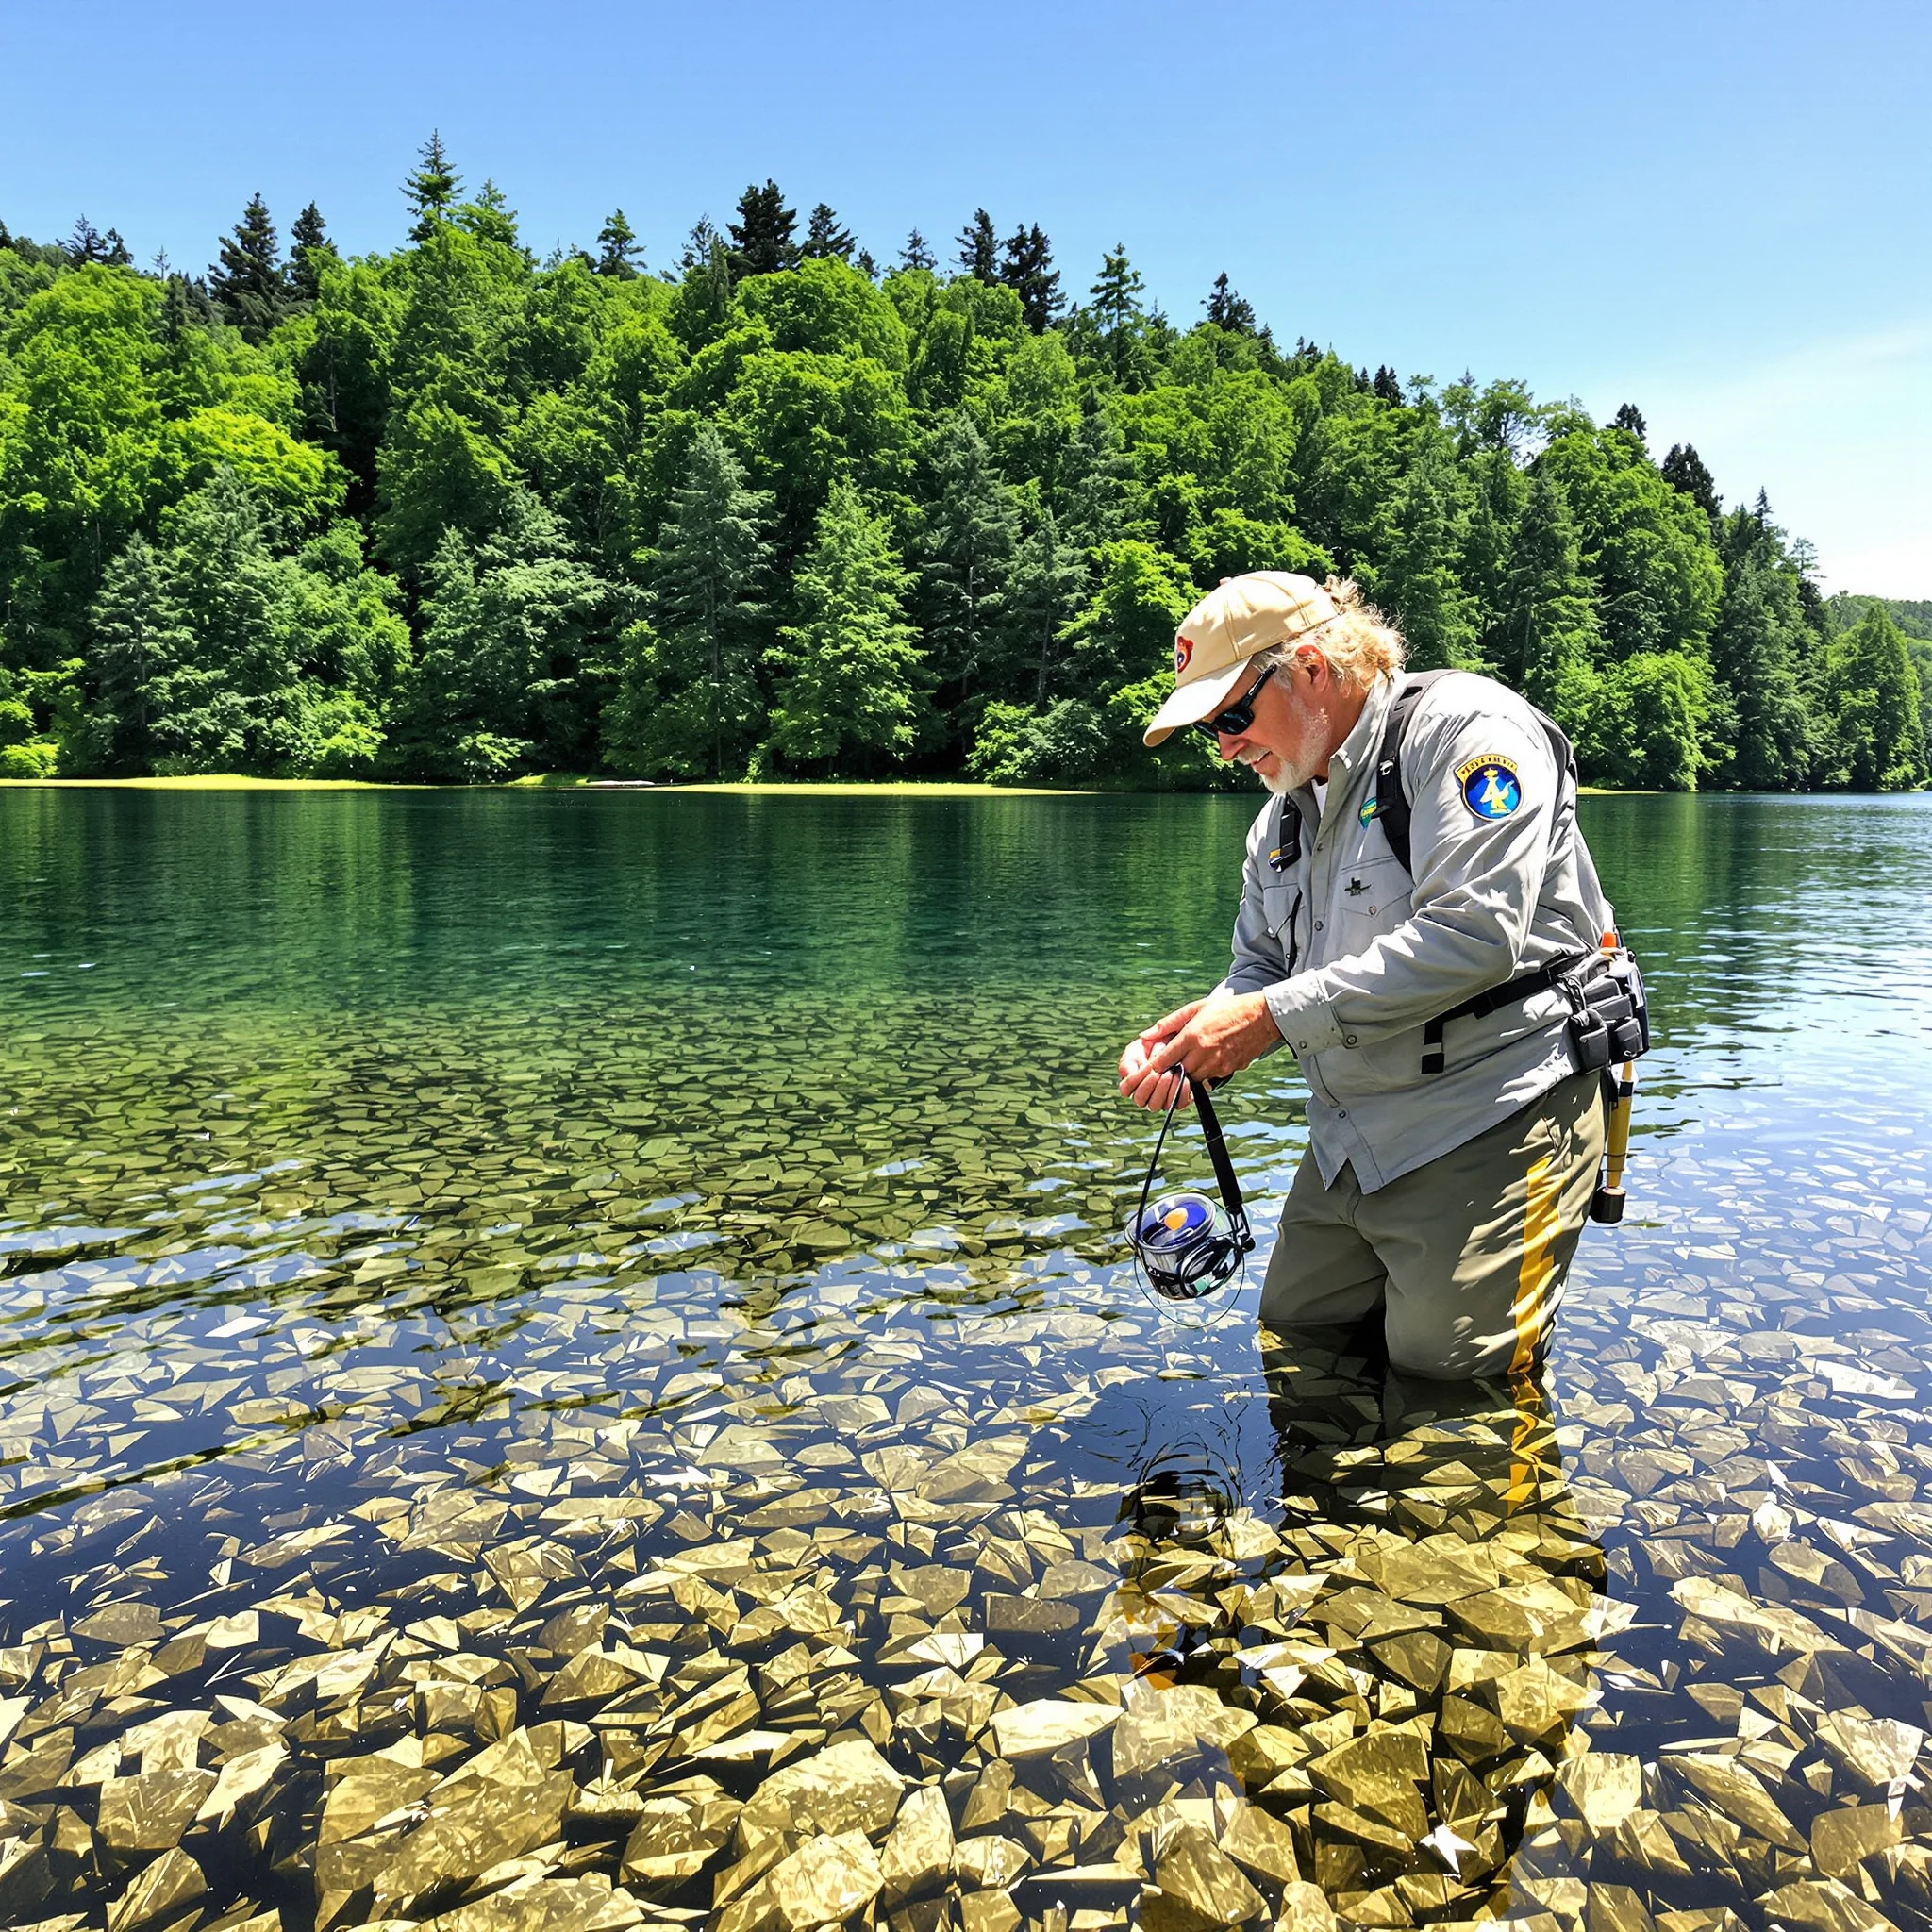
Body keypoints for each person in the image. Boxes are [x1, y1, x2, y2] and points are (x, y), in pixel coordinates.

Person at [1118, 571, 1620, 1380]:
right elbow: (1260, 967)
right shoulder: (1281, 814)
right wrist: (1197, 1039)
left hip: (1498, 1109)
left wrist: (1266, 1020)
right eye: (1211, 728)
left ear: (1311, 668)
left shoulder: (1468, 734)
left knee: (1451, 1383)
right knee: (1297, 1339)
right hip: (1352, 1134)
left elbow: (1475, 936)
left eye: (1233, 717)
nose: (1225, 747)